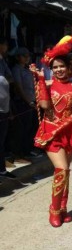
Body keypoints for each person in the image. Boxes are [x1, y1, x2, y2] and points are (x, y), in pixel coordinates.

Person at [31, 36, 72, 227]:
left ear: (69, 68)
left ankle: (63, 208)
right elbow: (44, 105)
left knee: (66, 172)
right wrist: (41, 80)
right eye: (55, 67)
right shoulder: (48, 84)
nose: (59, 70)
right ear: (51, 70)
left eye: (62, 67)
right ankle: (53, 210)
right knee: (62, 169)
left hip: (69, 131)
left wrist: (65, 123)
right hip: (51, 132)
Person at [10, 47, 39, 162]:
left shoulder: (27, 69)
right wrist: (29, 101)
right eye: (24, 56)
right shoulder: (17, 69)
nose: (27, 58)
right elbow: (19, 87)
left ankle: (27, 150)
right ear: (18, 57)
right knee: (22, 128)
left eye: (28, 56)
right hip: (24, 102)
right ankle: (19, 153)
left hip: (32, 101)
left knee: (30, 127)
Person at [0, 37, 16, 180]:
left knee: (1, 141)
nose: (6, 47)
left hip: (4, 108)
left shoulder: (2, 61)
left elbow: (10, 79)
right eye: (5, 44)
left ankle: (2, 170)